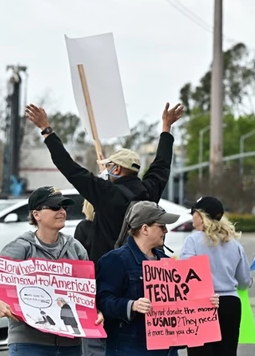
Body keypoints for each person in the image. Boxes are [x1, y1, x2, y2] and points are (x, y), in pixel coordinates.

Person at [25, 102, 183, 264]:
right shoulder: (149, 191)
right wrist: (166, 128)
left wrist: (46, 130)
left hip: (109, 269)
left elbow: (69, 167)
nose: (106, 170)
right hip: (141, 268)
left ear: (117, 169)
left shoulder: (106, 192)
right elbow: (162, 164)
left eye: (109, 166)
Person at [0, 186, 104, 356]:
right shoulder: (20, 248)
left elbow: (88, 293)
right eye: (55, 207)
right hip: (29, 343)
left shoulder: (76, 248)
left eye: (64, 207)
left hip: (70, 343)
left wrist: (96, 311)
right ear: (36, 214)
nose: (62, 211)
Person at [96, 201, 220, 356]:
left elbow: (182, 301)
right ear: (145, 229)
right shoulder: (115, 260)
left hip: (166, 349)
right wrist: (131, 305)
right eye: (161, 226)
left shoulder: (167, 262)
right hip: (129, 348)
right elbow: (102, 301)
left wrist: (206, 303)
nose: (166, 230)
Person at [180, 196, 252, 356]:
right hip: (230, 305)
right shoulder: (234, 243)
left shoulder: (192, 241)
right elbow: (244, 282)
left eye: (194, 212)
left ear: (201, 215)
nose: (192, 215)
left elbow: (184, 275)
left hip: (202, 305)